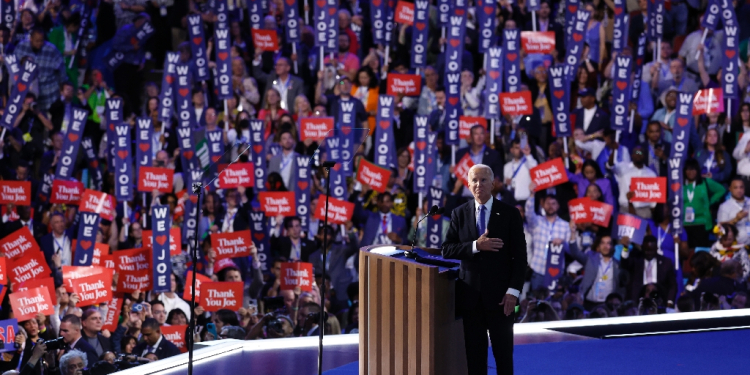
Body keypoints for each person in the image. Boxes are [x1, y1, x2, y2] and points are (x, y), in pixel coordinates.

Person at [442, 164, 527, 375]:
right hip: (470, 300)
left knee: (503, 359)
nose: (479, 184)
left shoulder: (510, 214)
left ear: (493, 184)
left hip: (501, 300)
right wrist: (475, 246)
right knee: (475, 361)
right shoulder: (459, 213)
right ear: (468, 185)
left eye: (483, 180)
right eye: (474, 181)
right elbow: (447, 250)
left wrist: (513, 292)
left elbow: (520, 257)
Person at [568, 233, 626, 311]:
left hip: (607, 306)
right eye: (602, 243)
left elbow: (621, 286)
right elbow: (575, 253)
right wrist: (573, 232)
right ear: (599, 246)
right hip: (589, 304)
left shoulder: (617, 265)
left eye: (608, 243)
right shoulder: (591, 259)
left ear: (612, 246)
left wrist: (626, 247)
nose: (605, 246)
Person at [620, 235, 677, 305]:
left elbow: (672, 285)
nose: (649, 253)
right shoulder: (636, 260)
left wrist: (669, 302)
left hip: (659, 301)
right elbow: (624, 264)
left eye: (652, 250)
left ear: (656, 248)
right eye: (647, 250)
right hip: (638, 300)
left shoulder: (666, 262)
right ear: (642, 248)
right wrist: (625, 248)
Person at [717, 178, 750, 245]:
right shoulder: (724, 206)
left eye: (741, 187)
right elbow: (721, 229)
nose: (739, 190)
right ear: (730, 189)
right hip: (736, 246)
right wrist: (736, 219)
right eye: (735, 188)